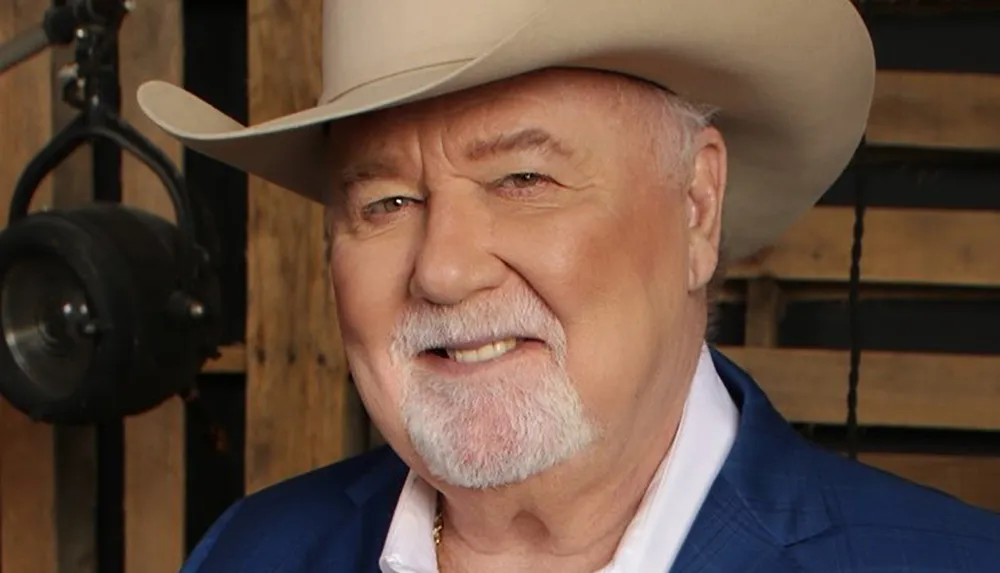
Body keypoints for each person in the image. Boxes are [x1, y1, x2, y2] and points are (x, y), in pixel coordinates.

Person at [138, 0, 1000, 570]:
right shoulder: (251, 553)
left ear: (696, 207)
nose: (443, 268)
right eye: (388, 200)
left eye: (522, 180)